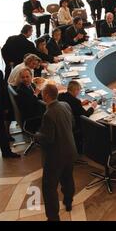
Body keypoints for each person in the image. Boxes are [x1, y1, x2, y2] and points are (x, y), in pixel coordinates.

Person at [34, 84, 77, 221]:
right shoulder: (65, 105)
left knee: (49, 188)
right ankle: (68, 202)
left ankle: (53, 217)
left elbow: (48, 139)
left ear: (46, 96)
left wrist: (37, 135)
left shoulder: (48, 114)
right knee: (68, 178)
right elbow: (73, 123)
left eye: (43, 93)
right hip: (70, 151)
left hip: (55, 157)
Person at [59, 81, 97, 154]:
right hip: (74, 124)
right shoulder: (75, 101)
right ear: (76, 90)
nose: (79, 92)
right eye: (79, 90)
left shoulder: (61, 96)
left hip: (62, 122)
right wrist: (92, 107)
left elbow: (70, 106)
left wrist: (81, 104)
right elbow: (85, 114)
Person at [15, 68, 44, 132]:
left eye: (27, 77)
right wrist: (36, 94)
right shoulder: (20, 90)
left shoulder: (31, 85)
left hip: (36, 110)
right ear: (20, 78)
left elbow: (36, 98)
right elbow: (29, 105)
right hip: (32, 116)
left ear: (31, 77)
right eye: (23, 77)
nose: (25, 79)